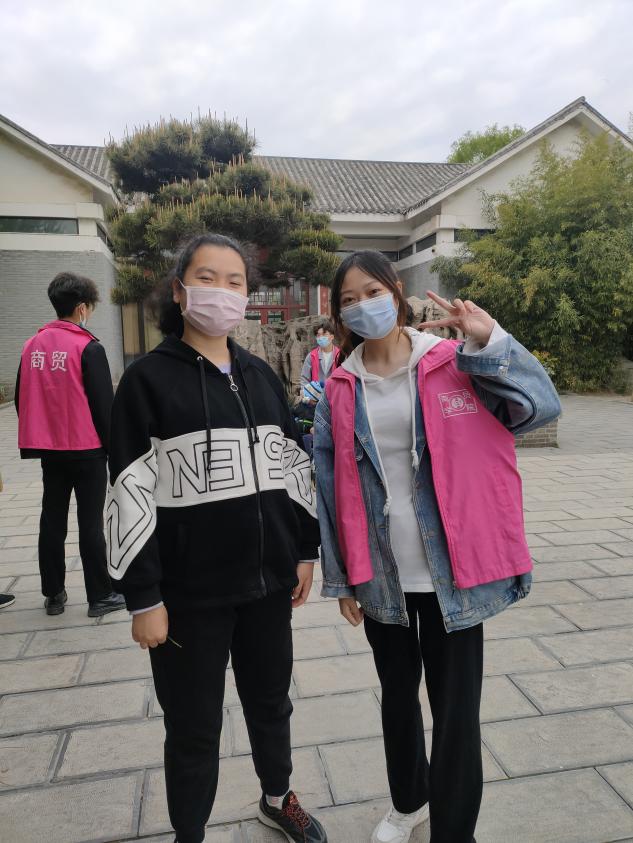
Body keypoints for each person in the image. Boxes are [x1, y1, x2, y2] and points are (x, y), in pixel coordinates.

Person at [314, 250, 561, 843]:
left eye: (372, 291)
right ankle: (408, 803)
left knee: (455, 713)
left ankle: (455, 832)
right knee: (397, 699)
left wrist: (491, 339)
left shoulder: (454, 362)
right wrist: (342, 577)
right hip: (383, 575)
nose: (363, 306)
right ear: (339, 313)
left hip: (454, 572)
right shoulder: (340, 387)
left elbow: (537, 408)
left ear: (397, 291)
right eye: (348, 299)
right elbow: (328, 485)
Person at [106, 233, 327, 843]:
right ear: (180, 291)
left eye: (235, 282)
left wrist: (303, 549)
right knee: (193, 726)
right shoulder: (146, 382)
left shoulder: (261, 376)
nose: (222, 292)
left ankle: (278, 798)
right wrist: (144, 597)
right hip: (187, 598)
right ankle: (190, 833)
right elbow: (128, 493)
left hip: (267, 587)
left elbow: (292, 466)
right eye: (207, 278)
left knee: (271, 703)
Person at [15, 272, 124, 618]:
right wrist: (115, 451)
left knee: (52, 520)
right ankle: (100, 596)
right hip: (87, 450)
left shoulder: (32, 346)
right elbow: (103, 407)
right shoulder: (88, 347)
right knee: (90, 523)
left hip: (50, 451)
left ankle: (54, 594)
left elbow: (20, 399)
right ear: (81, 308)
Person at [300, 319, 340, 394]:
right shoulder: (312, 356)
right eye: (318, 335)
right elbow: (304, 379)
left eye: (324, 334)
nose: (321, 337)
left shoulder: (340, 355)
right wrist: (306, 394)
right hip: (316, 396)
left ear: (332, 337)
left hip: (335, 396)